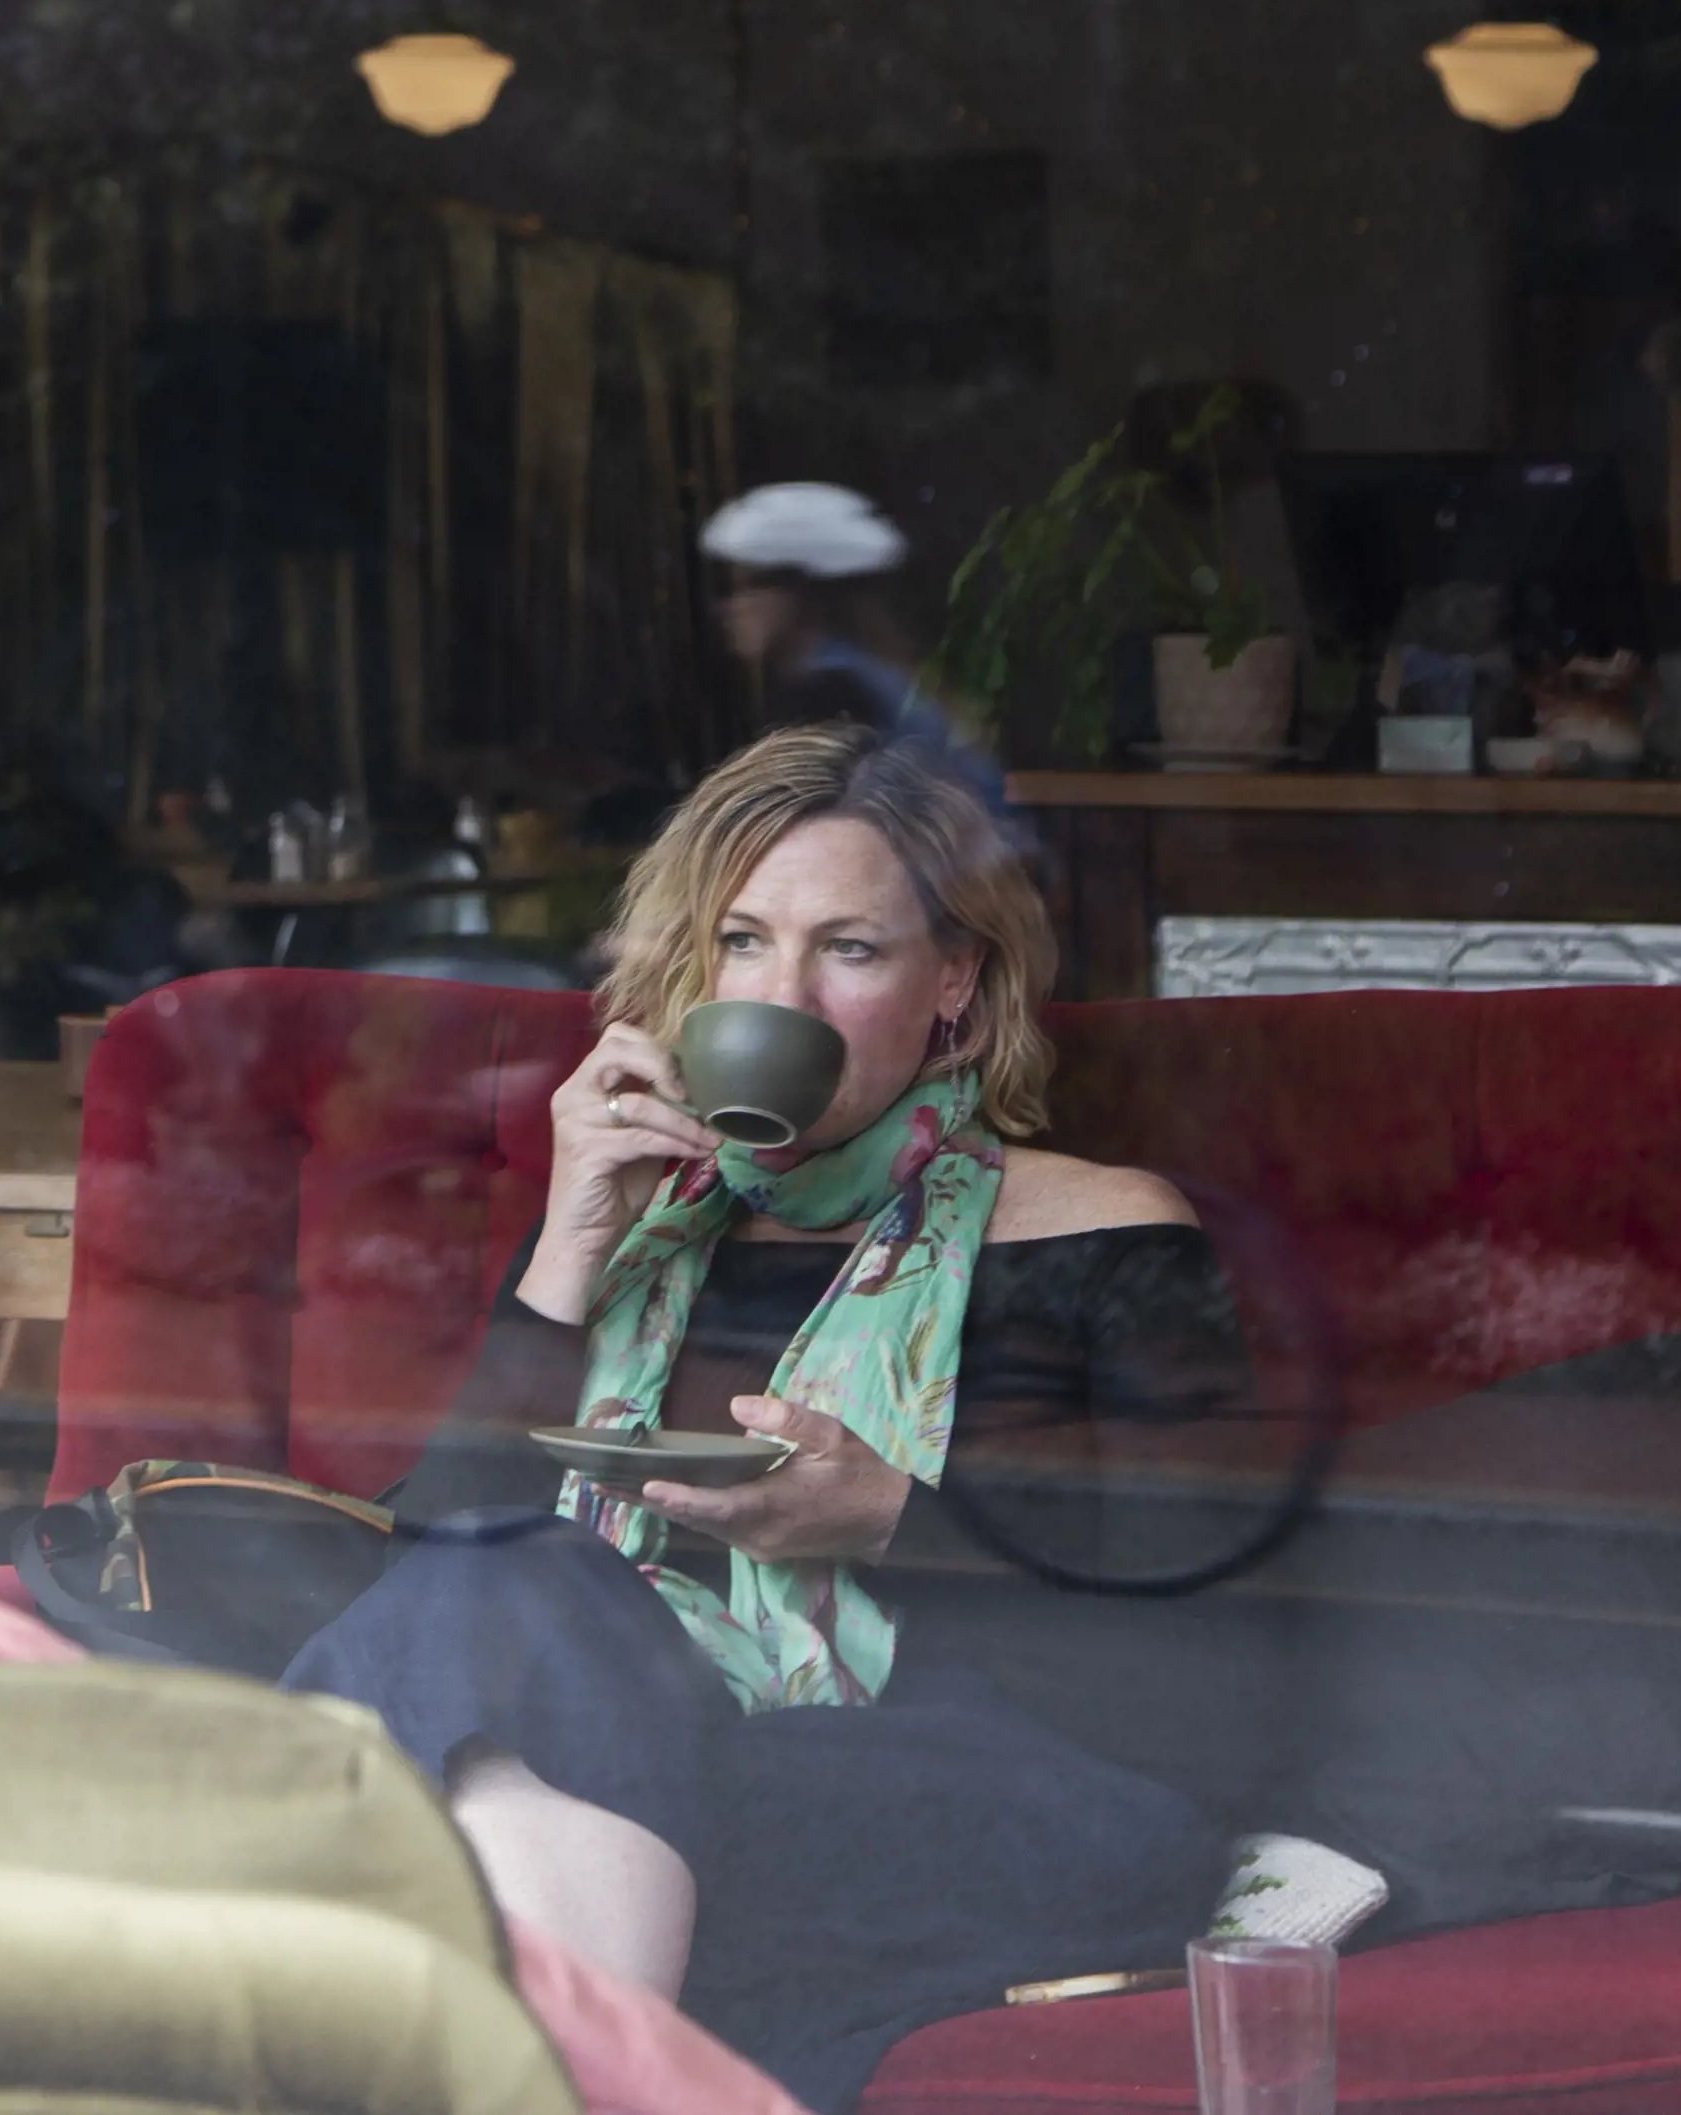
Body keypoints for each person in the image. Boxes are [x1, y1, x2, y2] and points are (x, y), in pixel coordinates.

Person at [278, 720, 1252, 2111]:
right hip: (658, 1761)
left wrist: (893, 1516)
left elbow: (1217, 1644)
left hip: (989, 1774)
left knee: (465, 1775)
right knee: (507, 1581)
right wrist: (570, 1244)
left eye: (846, 948)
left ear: (954, 982)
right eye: (743, 942)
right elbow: (430, 1559)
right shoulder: (638, 1228)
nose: (780, 995)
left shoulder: (1105, 1227)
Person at [701, 484, 1005, 808]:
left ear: (798, 595)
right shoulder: (864, 669)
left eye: (752, 586)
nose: (732, 607)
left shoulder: (829, 691)